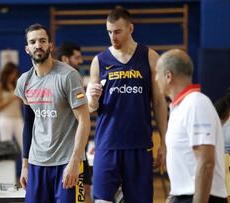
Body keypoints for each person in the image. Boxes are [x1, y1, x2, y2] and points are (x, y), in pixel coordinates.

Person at [85, 7, 168, 203]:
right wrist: (92, 98)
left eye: (117, 31)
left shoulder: (149, 56)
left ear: (130, 28)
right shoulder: (99, 61)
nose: (112, 36)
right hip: (107, 144)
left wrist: (164, 142)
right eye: (109, 32)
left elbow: (158, 102)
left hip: (139, 145)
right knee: (102, 200)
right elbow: (91, 107)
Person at [15, 23, 90, 203]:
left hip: (67, 163)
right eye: (33, 42)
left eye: (42, 40)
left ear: (51, 45)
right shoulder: (24, 81)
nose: (38, 45)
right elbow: (29, 124)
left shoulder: (68, 76)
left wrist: (74, 163)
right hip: (36, 163)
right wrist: (24, 165)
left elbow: (84, 121)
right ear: (27, 49)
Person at [155, 49, 228, 203]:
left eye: (157, 73)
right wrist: (173, 194)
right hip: (185, 196)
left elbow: (206, 163)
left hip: (202, 197)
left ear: (168, 76)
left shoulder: (195, 104)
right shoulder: (180, 107)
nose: (155, 79)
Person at [56, 42, 92, 203]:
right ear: (65, 58)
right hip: (60, 153)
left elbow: (85, 115)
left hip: (78, 150)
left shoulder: (76, 80)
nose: (80, 61)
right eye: (77, 57)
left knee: (85, 193)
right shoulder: (56, 81)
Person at [0, 62, 23, 149]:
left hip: (18, 118)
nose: (13, 76)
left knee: (25, 145)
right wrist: (12, 97)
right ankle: (9, 163)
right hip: (5, 119)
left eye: (15, 74)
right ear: (7, 73)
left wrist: (21, 95)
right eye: (12, 74)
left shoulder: (16, 85)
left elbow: (20, 104)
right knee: (6, 147)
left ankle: (25, 163)